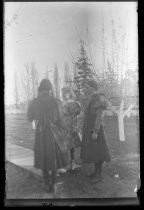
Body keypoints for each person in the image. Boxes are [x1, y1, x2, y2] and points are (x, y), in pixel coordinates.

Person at [27, 79, 70, 193]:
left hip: (41, 133)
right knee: (54, 157)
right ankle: (54, 183)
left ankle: (46, 183)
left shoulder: (35, 102)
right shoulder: (57, 102)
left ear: (41, 89)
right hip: (54, 133)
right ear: (50, 88)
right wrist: (63, 132)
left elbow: (29, 117)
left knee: (43, 157)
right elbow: (61, 120)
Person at [80, 80, 111, 182]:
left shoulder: (98, 98)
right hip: (89, 126)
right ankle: (96, 172)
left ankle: (99, 174)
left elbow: (99, 116)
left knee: (99, 150)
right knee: (94, 150)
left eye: (87, 87)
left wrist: (96, 131)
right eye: (85, 87)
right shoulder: (91, 98)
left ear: (93, 87)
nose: (85, 89)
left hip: (95, 127)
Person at [62, 87, 82, 172]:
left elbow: (78, 113)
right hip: (69, 125)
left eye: (65, 93)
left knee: (70, 145)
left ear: (69, 93)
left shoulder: (70, 104)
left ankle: (72, 163)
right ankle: (70, 162)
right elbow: (78, 112)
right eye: (63, 93)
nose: (63, 95)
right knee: (69, 145)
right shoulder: (74, 103)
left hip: (70, 125)